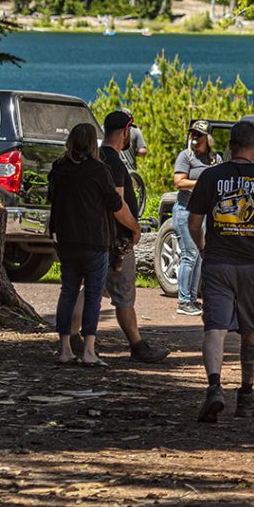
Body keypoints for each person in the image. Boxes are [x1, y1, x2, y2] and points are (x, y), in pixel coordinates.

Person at [187, 120, 254, 423]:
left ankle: (213, 388)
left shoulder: (210, 177)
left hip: (218, 264)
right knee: (252, 331)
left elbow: (193, 223)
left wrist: (204, 247)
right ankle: (246, 396)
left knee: (214, 328)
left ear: (230, 146)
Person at [49, 123, 141, 366]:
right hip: (95, 240)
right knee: (92, 295)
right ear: (93, 144)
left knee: (67, 291)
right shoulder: (99, 171)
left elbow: (51, 197)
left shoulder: (59, 168)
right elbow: (115, 203)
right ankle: (89, 349)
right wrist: (134, 226)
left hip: (66, 239)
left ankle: (65, 348)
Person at [87, 109, 171, 363]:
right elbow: (117, 203)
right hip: (117, 241)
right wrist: (134, 228)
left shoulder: (96, 158)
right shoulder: (112, 161)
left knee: (91, 290)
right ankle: (137, 346)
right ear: (126, 132)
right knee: (122, 295)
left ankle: (74, 337)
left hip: (98, 237)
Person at [172, 120, 222, 316]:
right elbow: (179, 182)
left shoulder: (214, 159)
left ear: (207, 139)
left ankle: (192, 299)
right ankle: (183, 301)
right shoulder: (186, 157)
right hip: (186, 210)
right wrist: (203, 182)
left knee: (200, 256)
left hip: (205, 213)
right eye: (193, 134)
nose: (194, 138)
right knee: (189, 255)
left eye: (199, 135)